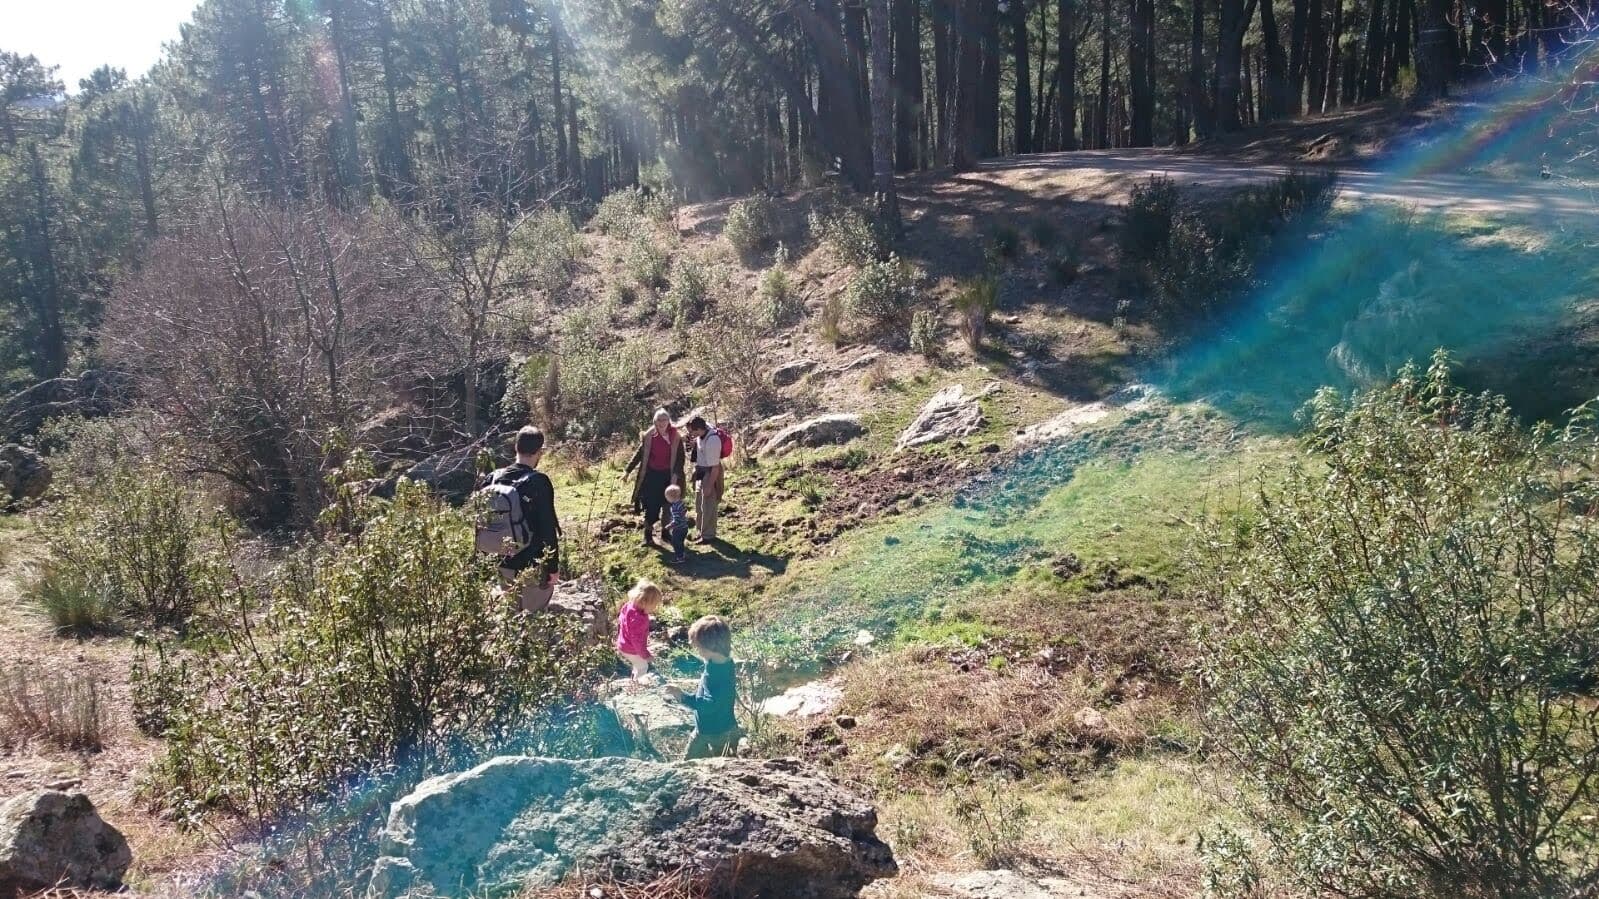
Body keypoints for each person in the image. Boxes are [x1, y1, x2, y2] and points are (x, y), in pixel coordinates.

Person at [483, 426, 560, 612]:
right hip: (531, 563)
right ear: (539, 451)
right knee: (533, 617)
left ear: (516, 447)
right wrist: (553, 567)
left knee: (511, 615)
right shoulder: (538, 482)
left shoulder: (492, 479)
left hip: (501, 561)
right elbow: (547, 527)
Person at [666, 615, 738, 759]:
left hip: (717, 733)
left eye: (698, 647)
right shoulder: (722, 663)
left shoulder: (717, 675)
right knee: (689, 762)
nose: (697, 650)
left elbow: (707, 705)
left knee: (723, 764)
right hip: (707, 728)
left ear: (710, 647)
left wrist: (682, 696)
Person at [622, 409, 685, 548]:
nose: (662, 423)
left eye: (664, 420)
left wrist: (675, 477)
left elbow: (680, 459)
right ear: (655, 422)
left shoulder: (676, 437)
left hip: (668, 476)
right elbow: (639, 454)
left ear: (669, 421)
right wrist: (627, 471)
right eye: (659, 420)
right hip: (651, 476)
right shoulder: (649, 436)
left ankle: (665, 533)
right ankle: (648, 535)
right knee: (651, 506)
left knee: (668, 506)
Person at [615, 579, 663, 687]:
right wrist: (646, 655)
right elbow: (637, 641)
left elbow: (621, 620)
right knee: (643, 666)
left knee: (637, 664)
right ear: (644, 602)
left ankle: (633, 678)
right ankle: (636, 687)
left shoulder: (630, 605)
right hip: (631, 648)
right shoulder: (639, 620)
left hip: (623, 643)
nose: (655, 608)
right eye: (654, 605)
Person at [685, 416, 723, 544]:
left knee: (708, 505)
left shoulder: (712, 440)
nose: (691, 434)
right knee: (699, 504)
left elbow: (715, 467)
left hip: (710, 473)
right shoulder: (701, 435)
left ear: (699, 429)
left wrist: (709, 486)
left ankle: (708, 536)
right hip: (701, 471)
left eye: (692, 432)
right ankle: (700, 531)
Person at [663, 484, 690, 564]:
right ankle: (682, 554)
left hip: (678, 529)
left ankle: (679, 558)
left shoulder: (674, 508)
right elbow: (685, 510)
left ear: (670, 498)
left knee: (676, 543)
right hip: (684, 527)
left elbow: (677, 520)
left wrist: (669, 525)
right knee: (680, 542)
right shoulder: (681, 503)